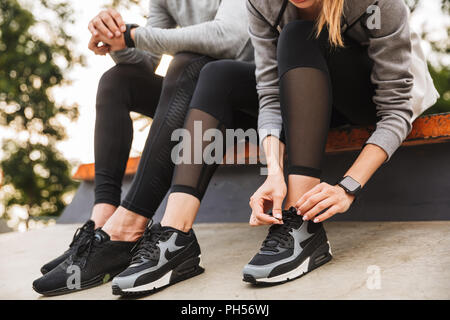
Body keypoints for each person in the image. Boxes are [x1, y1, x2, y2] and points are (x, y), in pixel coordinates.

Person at [108, 0, 439, 294]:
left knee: (297, 33)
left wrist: (347, 187)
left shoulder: (379, 4)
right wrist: (274, 172)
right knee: (216, 74)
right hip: (307, 99)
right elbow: (269, 96)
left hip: (369, 100)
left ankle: (301, 222)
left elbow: (395, 111)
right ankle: (175, 237)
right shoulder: (263, 3)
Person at [32, 0, 253, 296]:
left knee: (191, 62)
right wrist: (116, 39)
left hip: (253, 102)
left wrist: (133, 34)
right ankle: (102, 224)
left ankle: (127, 231)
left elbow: (228, 38)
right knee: (118, 80)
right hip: (202, 100)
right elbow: (146, 60)